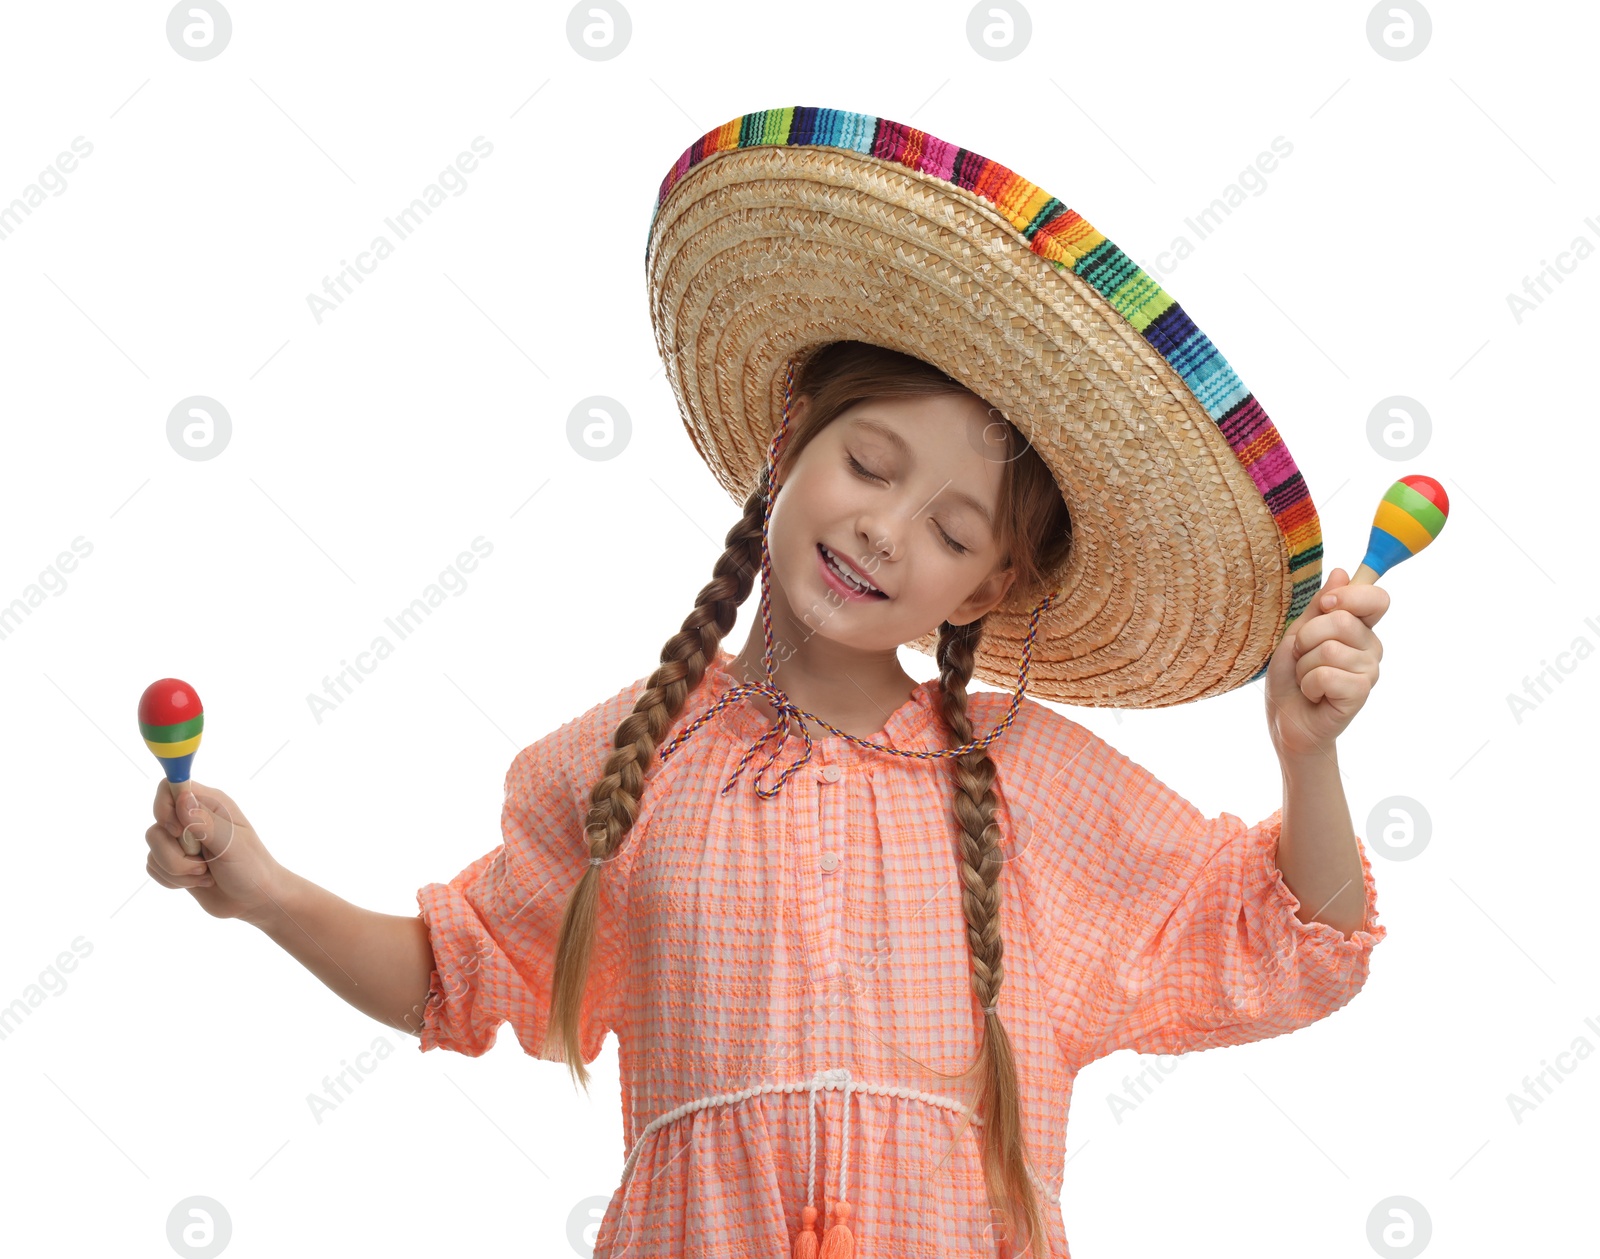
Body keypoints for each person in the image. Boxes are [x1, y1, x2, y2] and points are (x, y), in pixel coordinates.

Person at [142, 106, 1391, 1259]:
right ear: (791, 441)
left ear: (985, 590)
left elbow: (1298, 942)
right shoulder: (615, 762)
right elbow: (459, 971)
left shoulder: (1026, 780)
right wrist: (261, 890)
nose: (889, 532)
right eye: (869, 462)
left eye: (954, 533)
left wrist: (1305, 753)